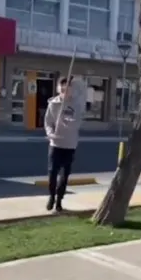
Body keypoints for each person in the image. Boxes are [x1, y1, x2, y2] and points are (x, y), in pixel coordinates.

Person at [42, 76, 83, 212]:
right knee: (52, 172)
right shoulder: (53, 104)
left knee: (65, 175)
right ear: (59, 88)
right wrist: (50, 133)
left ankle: (59, 200)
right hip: (55, 143)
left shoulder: (76, 104)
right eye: (63, 87)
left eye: (68, 87)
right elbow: (48, 122)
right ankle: (51, 196)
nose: (65, 90)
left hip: (69, 144)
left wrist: (66, 121)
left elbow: (76, 123)